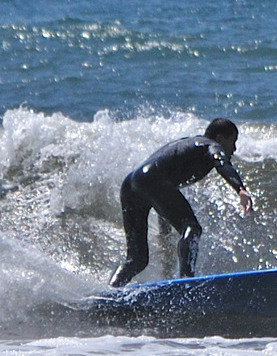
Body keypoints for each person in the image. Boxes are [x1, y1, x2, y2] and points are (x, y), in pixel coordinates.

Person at [109, 118, 254, 287]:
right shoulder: (210, 145)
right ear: (221, 139)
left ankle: (112, 290)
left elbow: (161, 195)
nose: (234, 149)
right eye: (233, 142)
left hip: (131, 184)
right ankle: (186, 282)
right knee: (192, 228)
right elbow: (222, 162)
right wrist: (240, 189)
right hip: (153, 180)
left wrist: (165, 230)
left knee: (137, 259)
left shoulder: (188, 145)